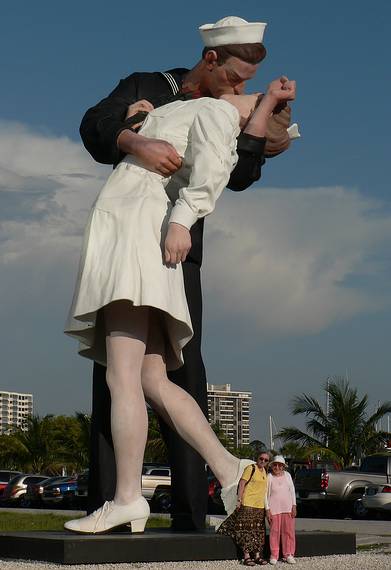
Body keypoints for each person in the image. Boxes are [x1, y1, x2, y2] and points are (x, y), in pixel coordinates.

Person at [78, 16, 295, 531]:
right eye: (239, 78)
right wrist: (138, 136)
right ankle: (222, 470)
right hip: (141, 236)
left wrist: (260, 112)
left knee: (151, 372)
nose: (243, 88)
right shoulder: (152, 87)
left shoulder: (222, 111)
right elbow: (95, 126)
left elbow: (235, 174)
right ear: (212, 59)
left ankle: (160, 503)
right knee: (143, 376)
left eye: (250, 86)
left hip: (158, 243)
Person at [217, 451, 270, 566]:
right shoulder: (251, 468)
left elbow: (264, 491)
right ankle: (246, 556)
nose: (263, 461)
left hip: (259, 506)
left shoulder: (264, 472)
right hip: (248, 504)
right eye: (261, 458)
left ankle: (257, 556)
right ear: (257, 458)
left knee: (258, 532)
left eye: (266, 460)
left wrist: (266, 507)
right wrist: (239, 500)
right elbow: (242, 484)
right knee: (246, 530)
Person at [265, 455, 297, 565]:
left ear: (283, 467)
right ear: (272, 466)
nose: (277, 467)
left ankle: (288, 554)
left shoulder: (288, 475)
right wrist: (267, 509)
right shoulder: (269, 477)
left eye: (280, 465)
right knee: (274, 532)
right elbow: (265, 494)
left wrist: (294, 505)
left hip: (287, 509)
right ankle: (274, 555)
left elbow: (292, 491)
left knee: (289, 532)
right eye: (275, 465)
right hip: (274, 510)